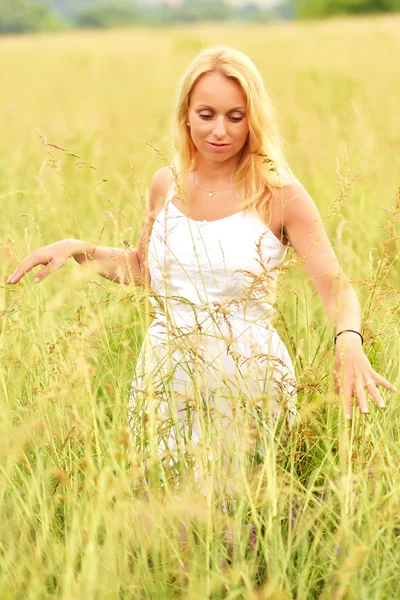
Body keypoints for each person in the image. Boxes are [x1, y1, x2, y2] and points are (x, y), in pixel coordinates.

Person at [7, 46, 396, 496]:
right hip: (164, 377)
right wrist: (79, 249)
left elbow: (338, 289)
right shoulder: (164, 183)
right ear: (186, 115)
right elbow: (143, 270)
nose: (219, 130)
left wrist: (348, 341)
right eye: (206, 114)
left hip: (249, 382)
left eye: (235, 116)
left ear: (254, 120)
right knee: (166, 517)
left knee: (242, 518)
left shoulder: (279, 193)